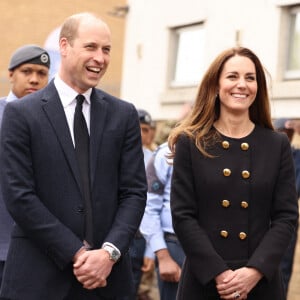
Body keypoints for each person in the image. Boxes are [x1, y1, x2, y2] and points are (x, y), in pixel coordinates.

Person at [0, 12, 147, 300]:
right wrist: (77, 253)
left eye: (106, 49)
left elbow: (134, 193)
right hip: (38, 279)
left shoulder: (123, 114)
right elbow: (19, 195)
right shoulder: (21, 114)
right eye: (91, 47)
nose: (101, 58)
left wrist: (108, 254)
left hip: (107, 281)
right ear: (64, 47)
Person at [168, 47, 299, 300]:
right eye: (232, 76)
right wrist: (220, 274)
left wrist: (255, 270)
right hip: (205, 281)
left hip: (260, 284)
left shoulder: (276, 144)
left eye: (250, 78)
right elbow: (183, 216)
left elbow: (286, 217)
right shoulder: (191, 143)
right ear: (215, 85)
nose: (242, 85)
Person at [0, 44, 50, 287]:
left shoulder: (53, 120)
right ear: (11, 74)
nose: (34, 79)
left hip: (38, 245)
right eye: (26, 71)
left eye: (42, 74)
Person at [274, 118, 300, 296]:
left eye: (288, 134)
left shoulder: (295, 156)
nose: (284, 137)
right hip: (257, 218)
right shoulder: (258, 151)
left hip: (284, 220)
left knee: (281, 273)